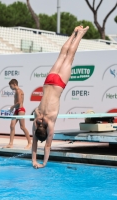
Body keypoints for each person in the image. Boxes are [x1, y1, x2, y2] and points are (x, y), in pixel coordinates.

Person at [32, 25, 89, 168]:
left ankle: (80, 34)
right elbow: (34, 143)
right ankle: (73, 32)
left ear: (45, 134)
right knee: (62, 54)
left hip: (58, 84)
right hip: (48, 82)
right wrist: (33, 160)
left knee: (70, 57)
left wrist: (43, 163)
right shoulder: (36, 118)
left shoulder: (50, 123)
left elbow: (47, 147)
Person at [3, 79, 31, 149]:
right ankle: (10, 143)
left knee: (22, 127)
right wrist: (14, 108)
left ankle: (30, 143)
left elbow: (19, 102)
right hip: (16, 110)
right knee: (12, 125)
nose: (10, 87)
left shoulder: (19, 91)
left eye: (11, 86)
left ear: (14, 84)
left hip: (20, 110)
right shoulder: (16, 91)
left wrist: (12, 107)